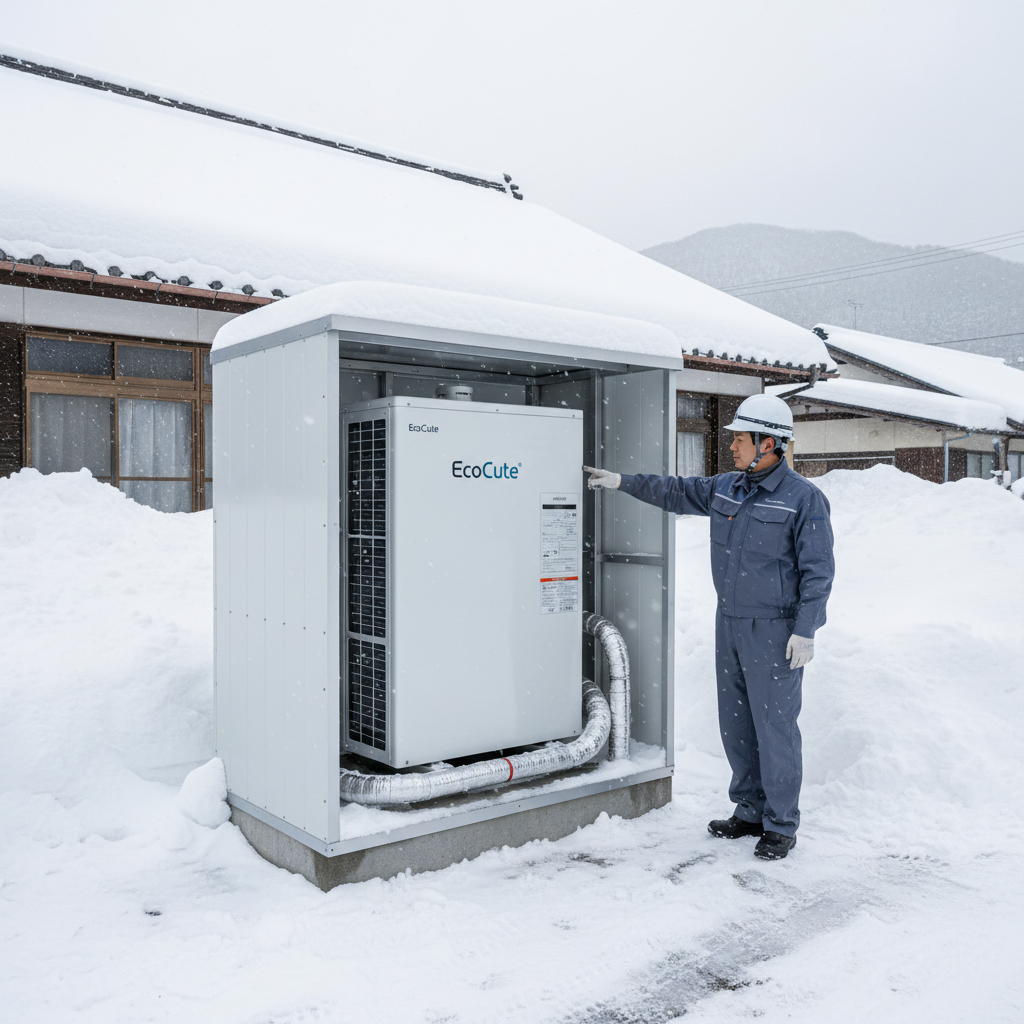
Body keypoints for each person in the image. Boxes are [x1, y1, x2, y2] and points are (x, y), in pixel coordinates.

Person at [584, 393, 834, 860]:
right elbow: (675, 491)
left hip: (776, 630)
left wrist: (806, 629)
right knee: (736, 723)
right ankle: (749, 809)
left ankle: (780, 824)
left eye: (740, 439)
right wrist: (621, 481)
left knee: (774, 727)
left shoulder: (803, 500)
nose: (733, 447)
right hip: (730, 625)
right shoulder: (728, 488)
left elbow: (818, 571)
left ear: (769, 444)